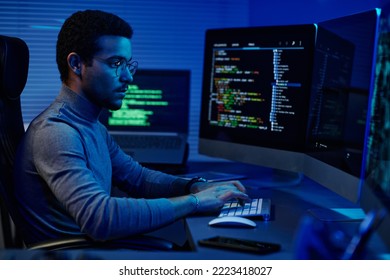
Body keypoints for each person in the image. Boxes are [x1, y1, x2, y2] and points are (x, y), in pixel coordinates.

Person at [13, 9, 248, 246]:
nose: (128, 77)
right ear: (76, 64)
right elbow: (100, 219)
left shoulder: (90, 126)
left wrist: (194, 186)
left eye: (127, 64)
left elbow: (138, 179)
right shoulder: (56, 132)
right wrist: (195, 202)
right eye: (115, 63)